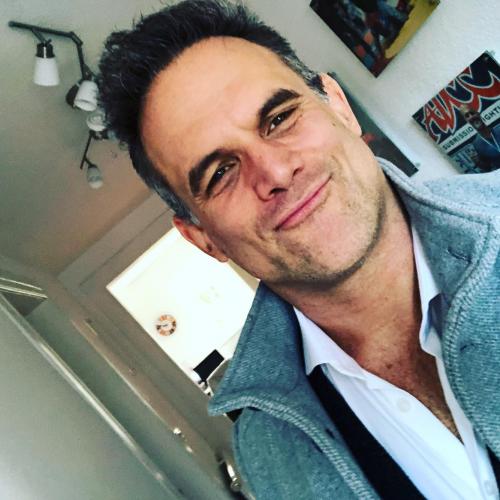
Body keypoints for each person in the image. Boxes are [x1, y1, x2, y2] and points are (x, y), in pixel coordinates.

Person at [97, 1, 500, 498]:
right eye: (220, 173)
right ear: (202, 238)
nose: (275, 172)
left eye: (279, 118)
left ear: (339, 107)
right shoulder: (265, 450)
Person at [459, 104, 500, 172]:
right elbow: (488, 168)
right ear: (467, 121)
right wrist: (478, 162)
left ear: (478, 114)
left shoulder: (498, 129)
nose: (471, 117)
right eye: (467, 116)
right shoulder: (477, 145)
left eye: (472, 113)